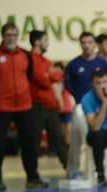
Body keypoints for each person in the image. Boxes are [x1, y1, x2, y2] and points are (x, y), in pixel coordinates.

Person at [0, 22, 45, 192]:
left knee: (29, 143)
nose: (12, 38)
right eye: (8, 35)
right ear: (3, 36)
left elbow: (29, 75)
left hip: (24, 106)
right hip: (1, 107)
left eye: (14, 35)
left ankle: (32, 177)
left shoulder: (25, 55)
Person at [64, 32, 107, 178]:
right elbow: (68, 84)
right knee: (77, 139)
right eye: (83, 42)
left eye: (90, 42)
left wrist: (103, 100)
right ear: (80, 44)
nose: (86, 45)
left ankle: (94, 170)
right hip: (80, 106)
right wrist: (79, 98)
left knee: (96, 138)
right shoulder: (73, 65)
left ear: (95, 44)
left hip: (99, 106)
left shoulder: (103, 64)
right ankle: (73, 170)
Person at [29, 30, 68, 171]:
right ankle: (33, 174)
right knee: (34, 141)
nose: (48, 43)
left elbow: (58, 77)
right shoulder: (30, 59)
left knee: (59, 139)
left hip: (51, 107)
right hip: (37, 106)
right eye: (45, 40)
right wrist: (49, 75)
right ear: (36, 42)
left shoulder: (46, 61)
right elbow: (41, 80)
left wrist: (49, 75)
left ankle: (70, 168)